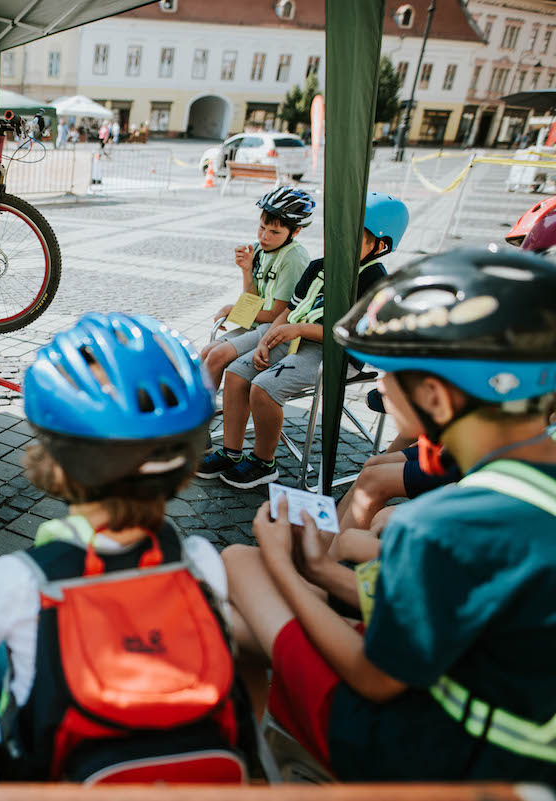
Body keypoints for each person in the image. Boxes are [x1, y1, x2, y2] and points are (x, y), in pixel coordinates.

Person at [222, 247, 556, 783]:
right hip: (508, 729)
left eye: (388, 374)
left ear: (436, 398)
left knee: (241, 562)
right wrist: (320, 567)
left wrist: (284, 564)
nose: (377, 385)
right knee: (254, 607)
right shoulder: (521, 494)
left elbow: (376, 679)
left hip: (435, 753)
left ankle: (251, 768)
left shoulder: (446, 523)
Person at [0, 313, 237, 778]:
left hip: (56, 770)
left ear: (58, 469)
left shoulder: (19, 580)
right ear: (185, 467)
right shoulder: (201, 563)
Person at [197, 191, 409, 489]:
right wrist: (267, 338)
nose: (340, 242)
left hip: (336, 353)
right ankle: (231, 452)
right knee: (236, 372)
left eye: (354, 237)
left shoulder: (375, 280)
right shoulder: (319, 266)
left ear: (380, 245)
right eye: (338, 233)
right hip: (294, 339)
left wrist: (297, 330)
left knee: (264, 387)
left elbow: (354, 334)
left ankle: (263, 462)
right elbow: (290, 311)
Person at [200, 186, 314, 388]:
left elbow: (277, 314)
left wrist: (231, 310)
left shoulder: (294, 258)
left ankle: (202, 415)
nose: (264, 237)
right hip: (256, 326)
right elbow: (252, 302)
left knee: (217, 356)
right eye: (262, 227)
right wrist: (246, 270)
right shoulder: (260, 249)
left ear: (295, 232)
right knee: (206, 353)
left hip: (276, 330)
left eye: (274, 232)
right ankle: (200, 412)